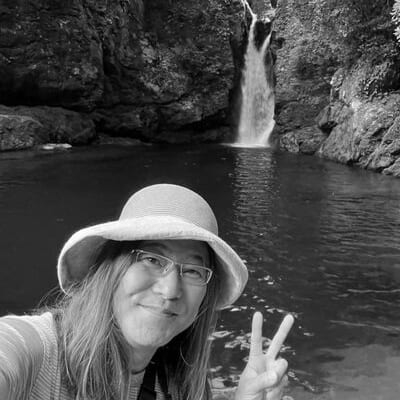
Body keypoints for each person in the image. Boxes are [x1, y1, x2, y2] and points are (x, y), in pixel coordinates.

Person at [0, 183, 293, 400]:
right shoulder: (35, 351)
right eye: (152, 259)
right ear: (110, 267)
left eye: (193, 270)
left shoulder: (177, 384)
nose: (170, 290)